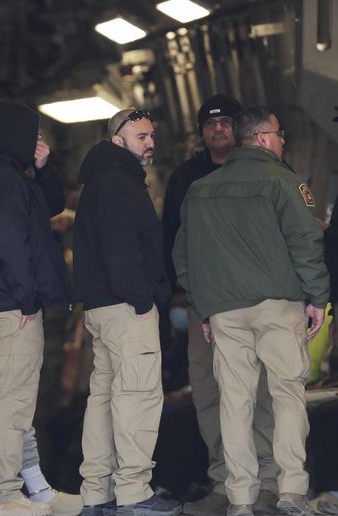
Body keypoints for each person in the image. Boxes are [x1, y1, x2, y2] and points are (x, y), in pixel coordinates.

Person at [173, 106, 329, 516]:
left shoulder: (200, 190)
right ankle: (291, 489)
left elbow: (183, 258)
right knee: (286, 395)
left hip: (224, 313)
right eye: (279, 134)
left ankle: (240, 498)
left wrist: (204, 308)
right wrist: (318, 299)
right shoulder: (285, 183)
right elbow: (305, 243)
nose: (282, 140)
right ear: (261, 138)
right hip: (278, 306)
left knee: (234, 402)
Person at [162, 95, 280, 516]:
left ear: (240, 128)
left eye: (226, 122)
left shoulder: (265, 170)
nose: (218, 130)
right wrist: (180, 291)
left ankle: (266, 484)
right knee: (210, 391)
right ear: (201, 132)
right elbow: (171, 238)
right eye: (210, 125)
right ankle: (225, 483)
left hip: (257, 300)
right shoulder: (186, 178)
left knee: (261, 390)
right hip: (205, 303)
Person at [0, 100, 74, 516]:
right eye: (34, 134)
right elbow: (13, 244)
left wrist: (43, 168)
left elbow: (48, 206)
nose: (38, 141)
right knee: (12, 406)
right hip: (13, 307)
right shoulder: (5, 181)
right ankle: (5, 495)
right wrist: (27, 298)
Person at [72, 108, 176, 516]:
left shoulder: (101, 180)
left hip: (102, 308)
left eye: (151, 135)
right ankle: (134, 492)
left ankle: (96, 493)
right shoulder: (118, 183)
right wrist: (142, 297)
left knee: (104, 399)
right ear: (118, 142)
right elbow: (121, 249)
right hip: (125, 307)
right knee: (137, 397)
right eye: (140, 137)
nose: (149, 142)